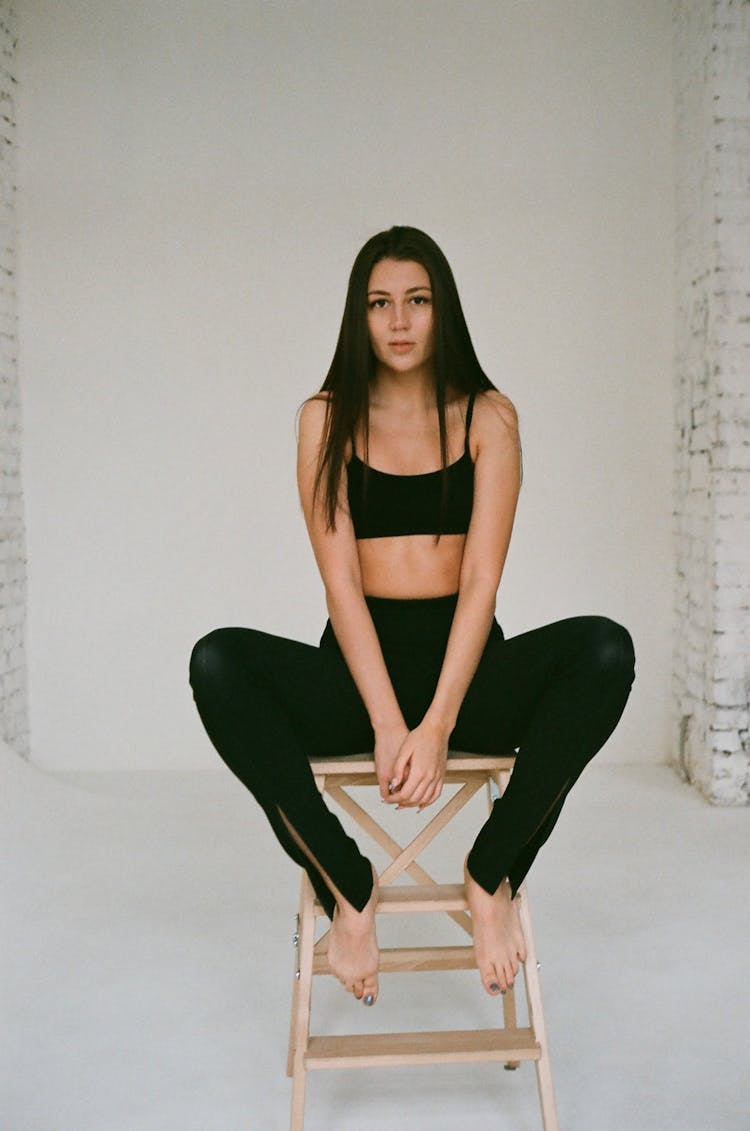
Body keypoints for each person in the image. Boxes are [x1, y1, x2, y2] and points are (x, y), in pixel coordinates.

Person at [189, 225, 635, 1010]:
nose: (399, 321)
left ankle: (491, 873)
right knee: (216, 661)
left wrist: (435, 727)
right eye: (380, 303)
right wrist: (391, 724)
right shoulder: (324, 418)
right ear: (358, 318)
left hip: (467, 677)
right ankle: (347, 889)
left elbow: (482, 584)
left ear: (443, 311)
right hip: (359, 680)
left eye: (417, 301)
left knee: (605, 650)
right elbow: (341, 589)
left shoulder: (489, 418)